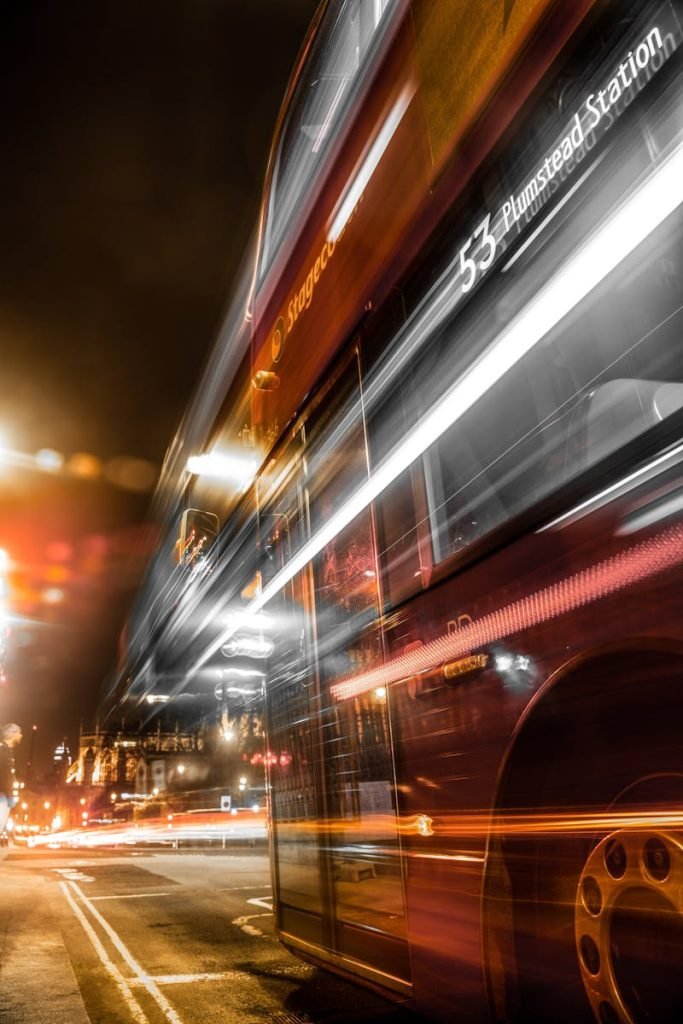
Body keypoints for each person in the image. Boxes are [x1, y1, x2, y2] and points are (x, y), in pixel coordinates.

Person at [0, 723, 22, 836]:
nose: (21, 735)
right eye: (19, 733)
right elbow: (4, 774)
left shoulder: (7, 751)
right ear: (11, 735)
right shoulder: (2, 751)